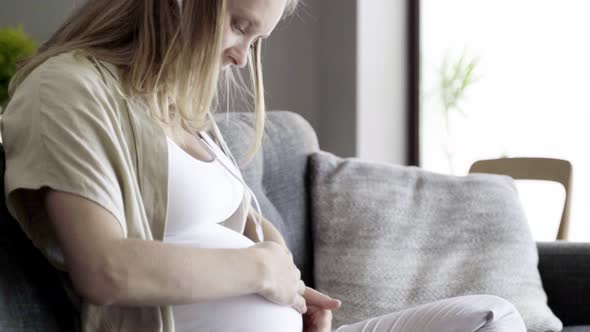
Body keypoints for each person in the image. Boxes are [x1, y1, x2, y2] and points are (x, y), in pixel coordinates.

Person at [0, 0, 528, 331]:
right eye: (238, 26)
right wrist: (263, 270)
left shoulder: (188, 113)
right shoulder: (68, 89)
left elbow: (259, 244)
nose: (240, 57)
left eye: (256, 41)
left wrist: (294, 293)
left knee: (492, 315)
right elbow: (105, 270)